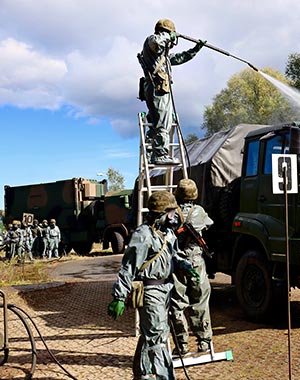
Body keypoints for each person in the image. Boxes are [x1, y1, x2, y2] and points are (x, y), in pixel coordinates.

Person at [107, 190, 199, 380]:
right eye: (171, 212)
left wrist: (186, 265)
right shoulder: (144, 235)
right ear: (160, 214)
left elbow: (173, 255)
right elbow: (128, 267)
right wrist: (119, 296)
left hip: (165, 289)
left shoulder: (168, 234)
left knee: (152, 335)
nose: (174, 216)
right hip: (150, 291)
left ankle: (142, 374)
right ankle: (164, 376)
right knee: (157, 338)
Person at [138, 18, 206, 165]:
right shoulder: (153, 41)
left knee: (157, 122)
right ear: (165, 33)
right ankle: (160, 154)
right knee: (163, 122)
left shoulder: (162, 57)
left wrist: (195, 49)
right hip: (157, 89)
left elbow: (180, 58)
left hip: (159, 89)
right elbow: (156, 42)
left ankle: (151, 152)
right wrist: (169, 36)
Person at [169, 179, 214, 356]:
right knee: (200, 301)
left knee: (177, 304)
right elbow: (208, 224)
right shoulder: (199, 211)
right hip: (196, 263)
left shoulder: (171, 213)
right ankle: (204, 343)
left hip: (177, 262)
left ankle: (182, 345)